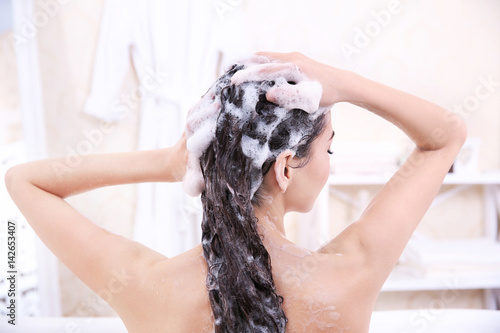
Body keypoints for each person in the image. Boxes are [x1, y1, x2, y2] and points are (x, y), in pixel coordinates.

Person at [5, 52, 467, 332]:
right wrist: (342, 83)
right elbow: (445, 136)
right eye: (330, 147)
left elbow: (23, 180)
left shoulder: (145, 285)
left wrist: (171, 163)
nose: (331, 162)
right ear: (286, 168)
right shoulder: (351, 274)